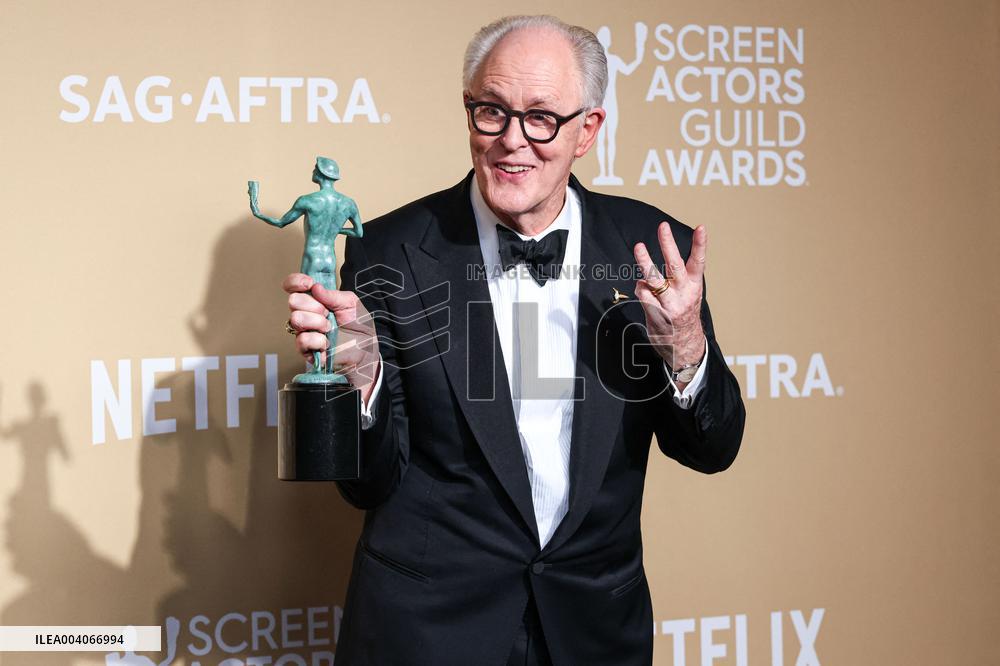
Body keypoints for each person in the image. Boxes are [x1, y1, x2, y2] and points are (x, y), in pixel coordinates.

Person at [282, 15, 745, 666]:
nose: (511, 141)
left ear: (588, 130)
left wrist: (687, 350)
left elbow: (713, 448)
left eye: (541, 118)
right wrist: (361, 377)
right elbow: (367, 484)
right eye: (491, 111)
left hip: (593, 634)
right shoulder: (385, 251)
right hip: (426, 635)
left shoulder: (647, 248)